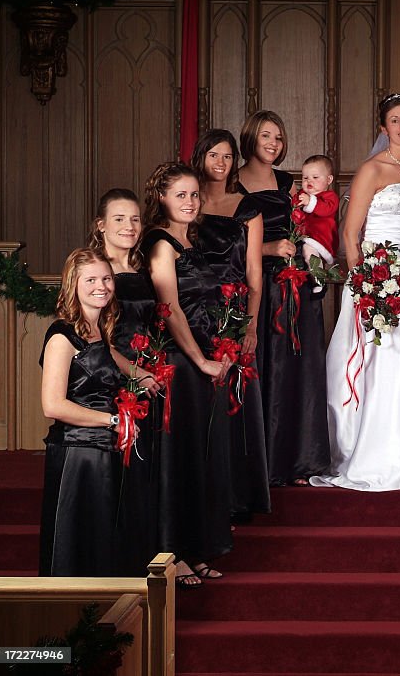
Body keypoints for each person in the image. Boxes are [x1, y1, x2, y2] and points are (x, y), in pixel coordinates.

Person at [313, 93, 400, 491]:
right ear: (384, 128)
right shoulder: (371, 169)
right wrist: (364, 281)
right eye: (394, 120)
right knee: (384, 353)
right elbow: (350, 231)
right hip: (379, 274)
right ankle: (377, 448)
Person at [141, 162, 233, 588]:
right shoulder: (161, 244)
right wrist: (199, 360)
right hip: (179, 363)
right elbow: (169, 310)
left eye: (194, 194)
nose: (190, 202)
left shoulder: (190, 240)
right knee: (176, 462)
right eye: (180, 194)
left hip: (202, 361)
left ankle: (195, 549)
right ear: (161, 197)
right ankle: (170, 553)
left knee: (199, 458)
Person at [238, 110, 331, 487]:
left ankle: (301, 458)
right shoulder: (234, 182)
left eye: (278, 137)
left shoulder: (287, 181)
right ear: (250, 139)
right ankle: (267, 463)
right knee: (269, 369)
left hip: (296, 282)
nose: (274, 144)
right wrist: (269, 247)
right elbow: (228, 244)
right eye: (266, 136)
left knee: (302, 368)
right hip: (262, 283)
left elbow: (308, 222)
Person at [193, 129, 271, 521]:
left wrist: (251, 326)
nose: (221, 163)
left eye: (227, 157)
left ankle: (235, 500)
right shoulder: (187, 202)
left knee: (233, 404)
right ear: (200, 158)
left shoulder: (248, 208)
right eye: (213, 155)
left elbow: (255, 273)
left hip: (233, 314)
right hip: (191, 314)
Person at [88, 189, 163, 576]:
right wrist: (135, 374)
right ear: (101, 225)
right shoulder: (94, 271)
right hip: (113, 381)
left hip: (150, 379)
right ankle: (122, 564)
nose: (129, 226)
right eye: (119, 219)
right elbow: (94, 339)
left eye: (135, 219)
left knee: (151, 472)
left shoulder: (144, 267)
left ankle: (154, 556)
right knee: (123, 472)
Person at [39, 248, 126, 576]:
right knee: (73, 545)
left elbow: (117, 363)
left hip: (102, 450)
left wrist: (147, 376)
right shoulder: (62, 337)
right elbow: (53, 405)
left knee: (99, 542)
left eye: (106, 278)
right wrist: (114, 421)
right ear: (73, 285)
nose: (101, 286)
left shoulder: (98, 332)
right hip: (76, 454)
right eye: (90, 280)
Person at [293, 153, 341, 292]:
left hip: (321, 237)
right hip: (303, 235)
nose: (309, 181)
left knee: (310, 252)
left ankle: (319, 278)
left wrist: (310, 202)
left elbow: (325, 210)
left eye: (315, 177)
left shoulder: (330, 197)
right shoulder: (303, 194)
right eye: (305, 178)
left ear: (329, 179)